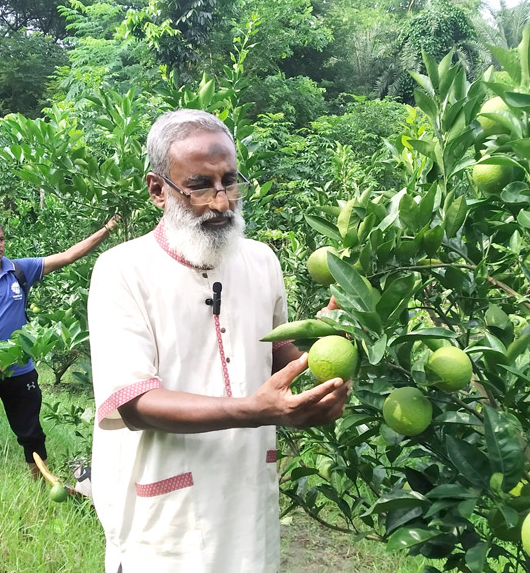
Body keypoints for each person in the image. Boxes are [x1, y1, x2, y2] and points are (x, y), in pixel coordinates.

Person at [87, 108, 352, 572]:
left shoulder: (261, 261)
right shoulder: (121, 270)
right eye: (199, 185)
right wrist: (256, 411)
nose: (222, 201)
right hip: (164, 509)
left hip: (247, 494)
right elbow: (132, 402)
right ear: (157, 189)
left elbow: (272, 354)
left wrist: (323, 351)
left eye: (229, 180)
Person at [0, 217, 116, 477]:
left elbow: (67, 256)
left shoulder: (19, 270)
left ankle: (41, 483)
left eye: (1, 239)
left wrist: (107, 229)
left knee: (31, 432)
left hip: (19, 369)